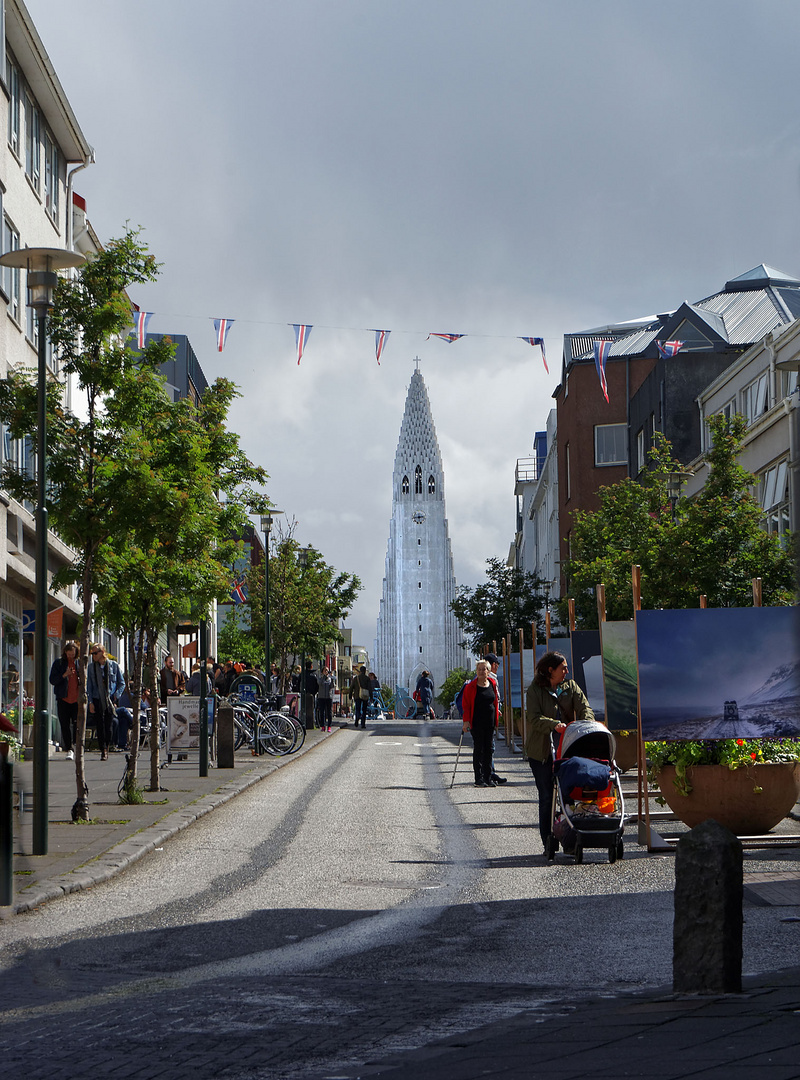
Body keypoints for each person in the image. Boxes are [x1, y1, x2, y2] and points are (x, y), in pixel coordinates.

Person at [525, 651, 595, 855]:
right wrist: (555, 725)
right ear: (550, 670)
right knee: (547, 796)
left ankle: (569, 839)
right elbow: (534, 718)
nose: (567, 671)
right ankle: (548, 840)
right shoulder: (535, 690)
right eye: (563, 667)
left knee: (568, 796)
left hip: (568, 749)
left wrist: (585, 723)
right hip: (542, 752)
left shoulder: (570, 686)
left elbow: (585, 708)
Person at [461, 659, 501, 787]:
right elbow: (466, 705)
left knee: (489, 749)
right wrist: (466, 722)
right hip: (476, 721)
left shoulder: (492, 683)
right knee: (479, 749)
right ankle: (478, 778)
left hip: (489, 721)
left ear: (488, 671)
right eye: (479, 669)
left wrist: (497, 713)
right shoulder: (470, 687)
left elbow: (495, 701)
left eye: (484, 669)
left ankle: (488, 777)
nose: (482, 671)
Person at [86, 643, 126, 760]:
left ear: (102, 652)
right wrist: (90, 702)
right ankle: (103, 749)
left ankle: (107, 745)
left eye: (95, 653)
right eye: (92, 653)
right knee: (100, 725)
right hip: (97, 698)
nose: (93, 655)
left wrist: (116, 696)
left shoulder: (113, 666)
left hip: (110, 699)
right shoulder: (91, 668)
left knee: (109, 725)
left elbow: (121, 683)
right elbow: (89, 686)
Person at [49, 640, 80, 761]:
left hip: (76, 699)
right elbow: (52, 680)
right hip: (63, 698)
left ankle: (76, 745)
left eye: (73, 654)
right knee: (65, 725)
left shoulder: (78, 663)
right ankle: (69, 749)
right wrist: (64, 674)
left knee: (77, 724)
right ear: (65, 652)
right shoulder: (59, 663)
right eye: (69, 654)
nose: (71, 656)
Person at [483, 653, 508, 785]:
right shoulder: (490, 679)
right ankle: (489, 773)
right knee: (488, 746)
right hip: (488, 717)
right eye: (496, 664)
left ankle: (490, 772)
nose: (497, 666)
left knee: (488, 746)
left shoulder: (484, 678)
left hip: (490, 715)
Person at [316, 666, 336, 731]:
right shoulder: (320, 678)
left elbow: (332, 686)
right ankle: (323, 726)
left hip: (328, 697)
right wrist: (323, 676)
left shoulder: (330, 679)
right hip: (321, 697)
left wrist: (332, 678)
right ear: (322, 672)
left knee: (329, 712)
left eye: (327, 670)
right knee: (322, 712)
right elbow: (319, 683)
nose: (326, 672)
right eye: (325, 670)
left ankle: (329, 726)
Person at [303, 659, 319, 728]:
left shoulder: (303, 675)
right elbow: (317, 685)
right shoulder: (314, 675)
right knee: (313, 708)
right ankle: (313, 722)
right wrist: (314, 692)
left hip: (304, 694)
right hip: (312, 694)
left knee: (303, 708)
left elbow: (298, 684)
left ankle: (304, 721)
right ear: (311, 666)